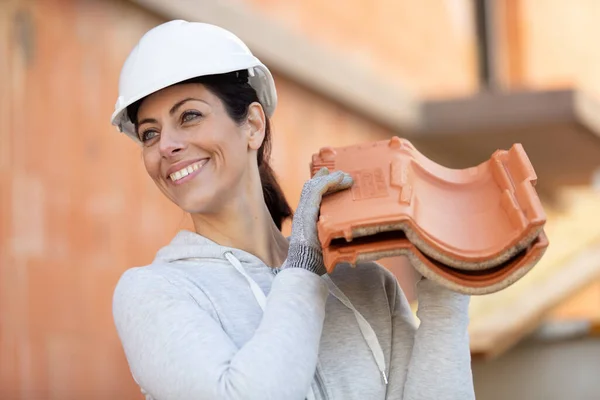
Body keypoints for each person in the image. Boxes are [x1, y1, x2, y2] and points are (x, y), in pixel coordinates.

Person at [111, 20, 475, 400]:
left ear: (252, 125)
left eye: (189, 116)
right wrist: (302, 265)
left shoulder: (363, 283)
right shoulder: (155, 292)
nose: (166, 145)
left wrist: (444, 293)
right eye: (150, 133)